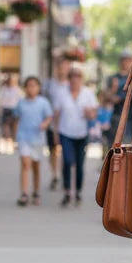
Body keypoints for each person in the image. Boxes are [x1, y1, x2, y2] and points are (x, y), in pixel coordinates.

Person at [50, 64, 97, 206]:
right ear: (69, 79)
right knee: (68, 161)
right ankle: (66, 191)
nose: (75, 80)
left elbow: (94, 113)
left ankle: (78, 191)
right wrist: (55, 133)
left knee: (80, 164)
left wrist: (90, 114)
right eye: (72, 77)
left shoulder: (88, 93)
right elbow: (56, 115)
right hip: (65, 132)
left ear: (81, 79)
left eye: (78, 77)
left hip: (82, 133)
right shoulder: (61, 93)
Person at [13, 76, 52, 206]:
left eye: (34, 86)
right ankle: (24, 193)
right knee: (25, 163)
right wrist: (14, 137)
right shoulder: (21, 103)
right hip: (24, 137)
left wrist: (45, 124)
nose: (31, 88)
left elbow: (49, 117)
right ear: (25, 88)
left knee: (35, 166)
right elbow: (16, 120)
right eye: (28, 86)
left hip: (38, 139)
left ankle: (36, 191)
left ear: (38, 88)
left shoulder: (43, 102)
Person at [43, 55, 70, 190]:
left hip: (67, 124)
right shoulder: (49, 85)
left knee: (65, 151)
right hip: (52, 123)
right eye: (61, 67)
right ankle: (55, 175)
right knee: (53, 150)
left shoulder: (71, 85)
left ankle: (64, 174)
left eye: (66, 67)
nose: (63, 70)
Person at [107, 49, 132, 145]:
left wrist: (119, 97)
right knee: (115, 146)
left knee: (129, 146)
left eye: (128, 60)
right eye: (123, 60)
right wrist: (113, 91)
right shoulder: (114, 77)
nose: (125, 63)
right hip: (117, 116)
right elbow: (106, 97)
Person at [0, 73, 22, 153]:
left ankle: (14, 142)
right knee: (6, 126)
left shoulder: (17, 89)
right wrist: (1, 109)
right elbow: (0, 100)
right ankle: (7, 143)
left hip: (14, 109)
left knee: (15, 126)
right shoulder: (4, 89)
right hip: (6, 109)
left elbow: (20, 100)